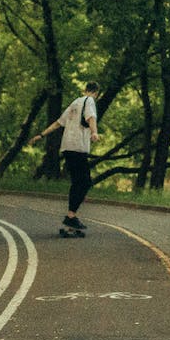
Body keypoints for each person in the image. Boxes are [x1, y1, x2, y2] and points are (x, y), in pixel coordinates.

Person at [30, 83, 101, 235]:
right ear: (96, 93)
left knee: (77, 182)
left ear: (85, 90)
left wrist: (41, 135)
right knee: (85, 182)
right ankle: (71, 216)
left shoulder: (75, 103)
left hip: (67, 147)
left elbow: (58, 123)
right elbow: (91, 117)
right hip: (78, 147)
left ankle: (71, 221)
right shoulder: (89, 101)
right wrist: (94, 132)